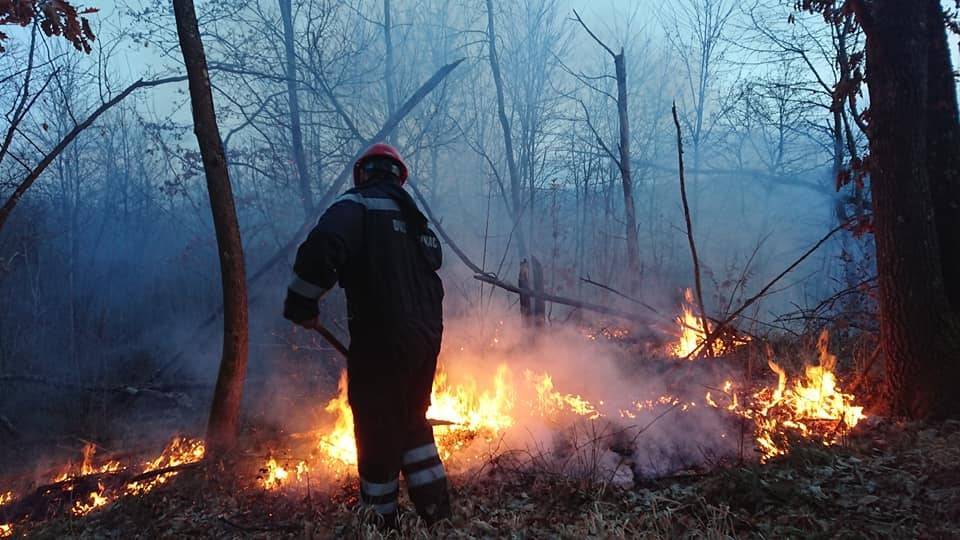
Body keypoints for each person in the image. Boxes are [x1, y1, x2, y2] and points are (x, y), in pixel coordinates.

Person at [283, 143, 451, 526]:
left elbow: (321, 248)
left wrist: (301, 305)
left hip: (381, 340)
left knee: (376, 428)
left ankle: (379, 525)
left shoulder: (356, 205)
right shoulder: (417, 220)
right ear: (398, 177)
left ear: (363, 173)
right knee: (411, 419)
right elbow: (433, 265)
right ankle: (437, 513)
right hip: (426, 341)